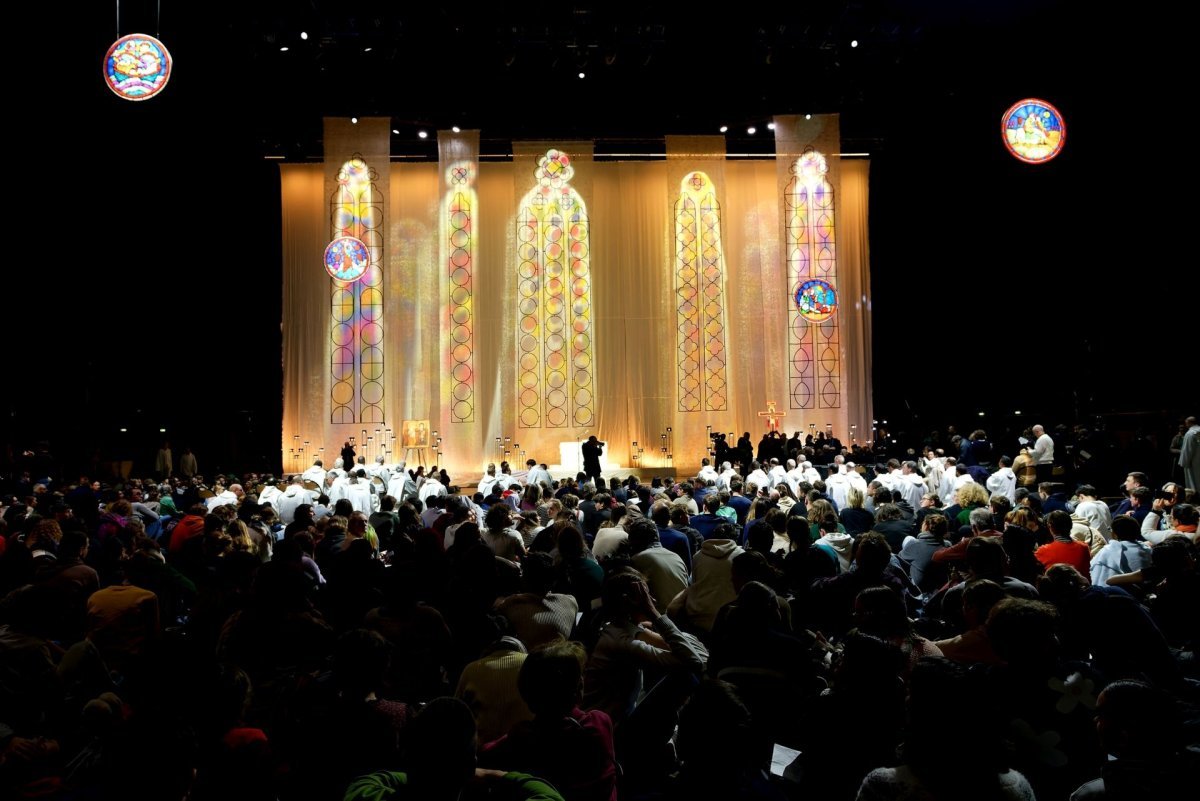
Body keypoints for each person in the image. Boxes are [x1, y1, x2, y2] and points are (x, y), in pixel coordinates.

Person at [1180, 415, 1200, 491]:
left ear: (1188, 423)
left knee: (1194, 482)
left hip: (1193, 463)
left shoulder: (1190, 434)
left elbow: (1187, 450)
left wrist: (1184, 462)